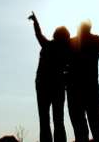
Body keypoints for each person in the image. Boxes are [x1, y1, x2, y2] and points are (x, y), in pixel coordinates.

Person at [28, 11, 70, 142]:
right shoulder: (66, 50)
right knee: (58, 120)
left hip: (44, 85)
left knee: (45, 120)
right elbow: (39, 35)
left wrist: (35, 22)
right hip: (56, 86)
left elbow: (38, 35)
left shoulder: (49, 45)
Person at [67, 20, 99, 142]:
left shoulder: (72, 42)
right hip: (89, 87)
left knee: (82, 126)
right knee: (96, 124)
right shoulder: (96, 40)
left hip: (77, 88)